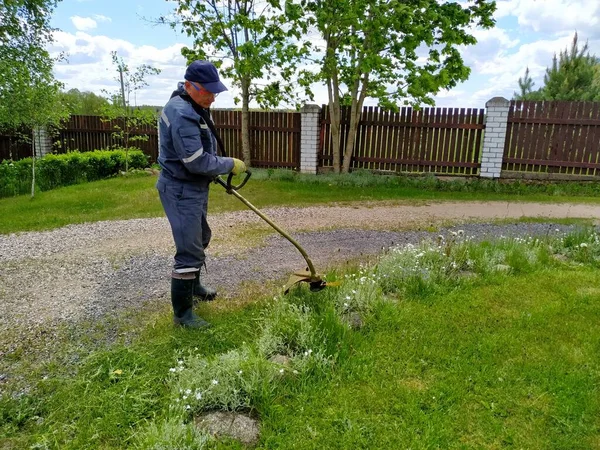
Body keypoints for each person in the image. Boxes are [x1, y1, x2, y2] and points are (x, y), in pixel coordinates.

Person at [156, 60, 246, 329]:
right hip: (181, 189)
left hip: (193, 186)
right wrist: (229, 164)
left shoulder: (192, 105)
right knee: (189, 252)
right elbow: (195, 161)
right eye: (207, 91)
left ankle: (193, 288)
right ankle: (183, 316)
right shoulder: (182, 113)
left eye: (214, 91)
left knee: (201, 237)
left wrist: (214, 171)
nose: (212, 96)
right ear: (188, 86)